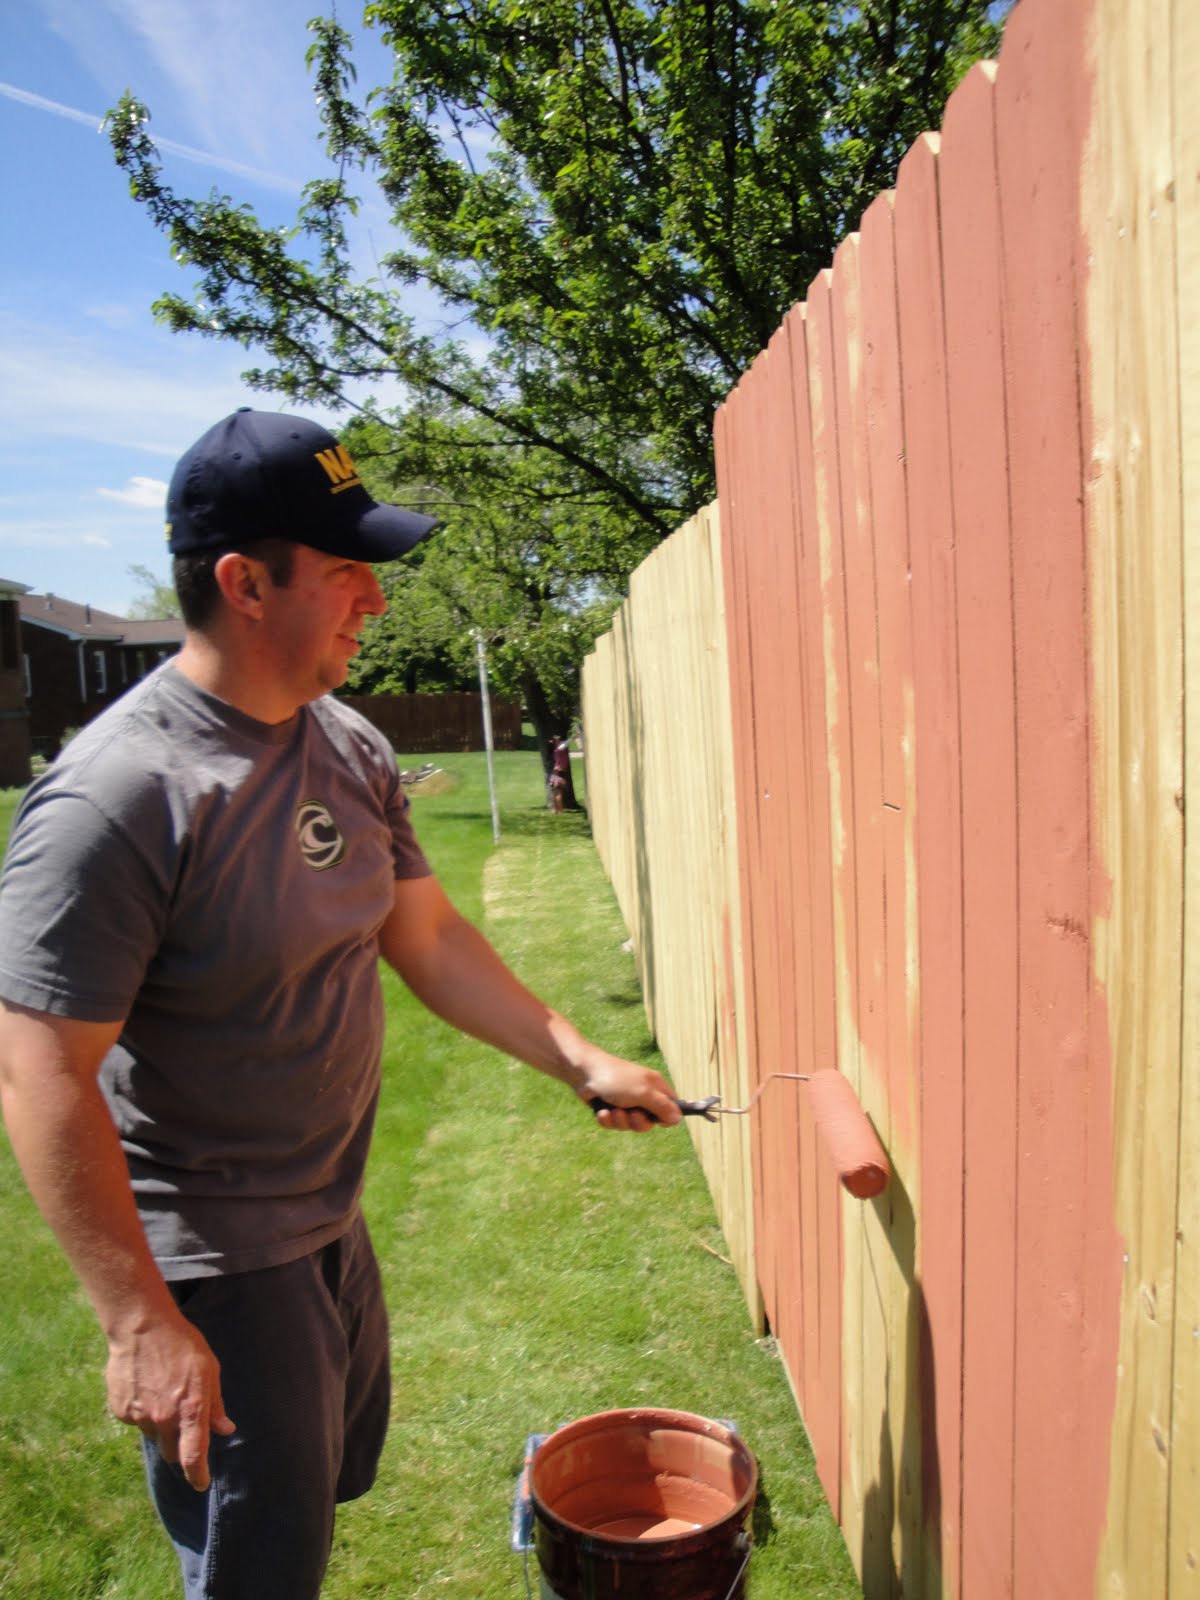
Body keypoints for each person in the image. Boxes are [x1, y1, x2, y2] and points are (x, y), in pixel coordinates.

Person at [0, 408, 681, 1600]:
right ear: (243, 583)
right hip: (219, 1254)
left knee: (321, 1492)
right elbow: (39, 1072)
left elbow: (426, 935)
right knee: (258, 1566)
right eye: (346, 570)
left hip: (327, 1216)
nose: (376, 597)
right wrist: (139, 1321)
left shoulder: (345, 741)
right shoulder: (120, 798)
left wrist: (580, 1058)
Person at [548, 733, 571, 813]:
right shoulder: (560, 748)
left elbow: (564, 743)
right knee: (559, 793)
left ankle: (555, 809)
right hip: (560, 772)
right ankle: (560, 811)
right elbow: (567, 742)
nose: (558, 737)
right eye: (556, 737)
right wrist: (575, 736)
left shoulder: (556, 749)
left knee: (555, 793)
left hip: (556, 772)